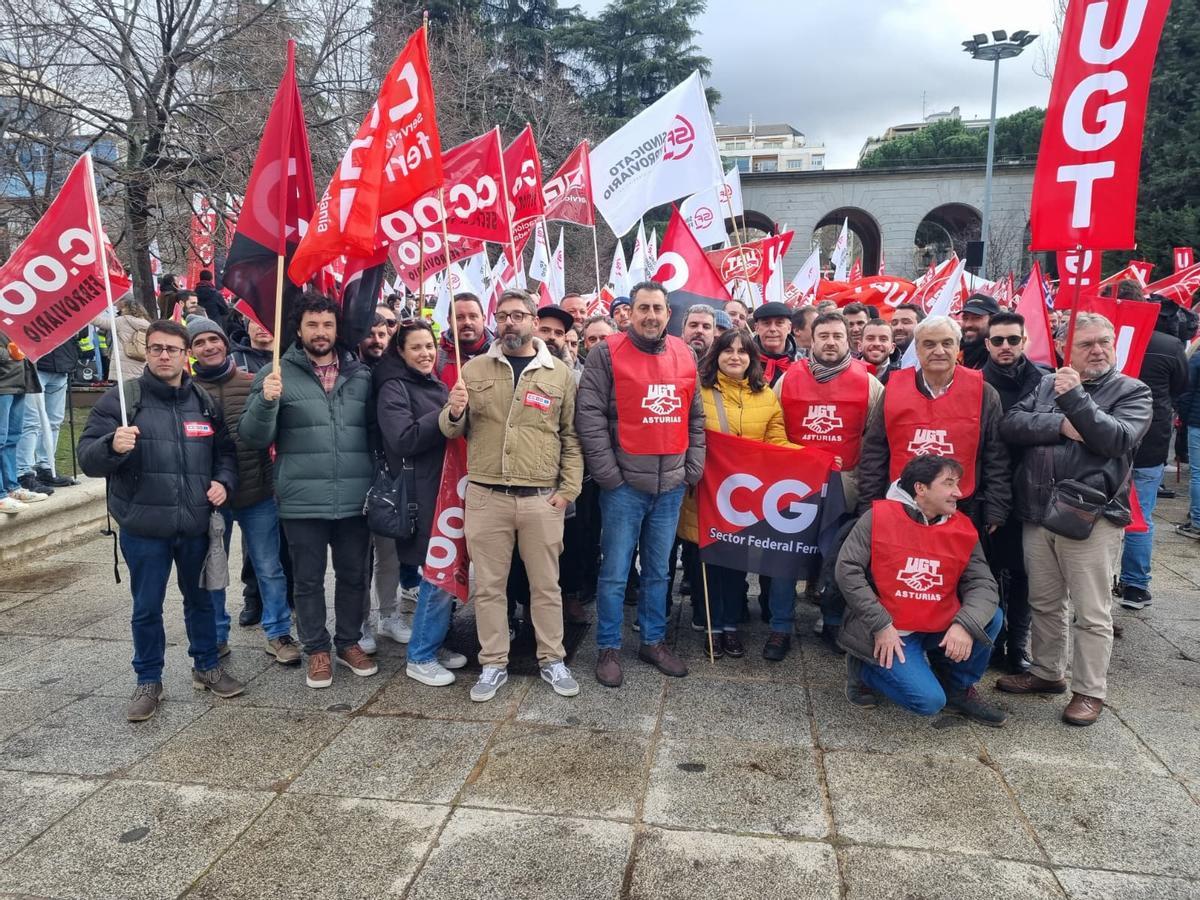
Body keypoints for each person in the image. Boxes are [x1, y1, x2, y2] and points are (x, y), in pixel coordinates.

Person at [77, 319, 242, 720]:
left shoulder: (202, 400)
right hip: (144, 528)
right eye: (156, 349)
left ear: (185, 355)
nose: (164, 355)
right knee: (146, 607)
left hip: (195, 526)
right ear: (146, 352)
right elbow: (87, 458)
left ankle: (206, 666)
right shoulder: (122, 401)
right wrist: (111, 445)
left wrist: (223, 482)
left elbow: (225, 454)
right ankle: (148, 680)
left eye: (171, 349)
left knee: (201, 601)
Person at [997, 313, 1152, 726]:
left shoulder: (1133, 391)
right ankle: (1047, 673)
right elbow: (1012, 424)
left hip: (1091, 517)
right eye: (1086, 344)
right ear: (1068, 348)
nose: (1098, 350)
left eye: (1104, 341)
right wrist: (1063, 424)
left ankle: (1089, 690)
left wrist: (1077, 400)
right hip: (1038, 512)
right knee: (1044, 602)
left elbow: (1113, 439)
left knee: (1092, 611)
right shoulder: (1048, 383)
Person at [441, 289, 584, 702]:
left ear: (533, 320)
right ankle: (493, 663)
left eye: (517, 315)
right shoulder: (474, 368)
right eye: (502, 316)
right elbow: (452, 430)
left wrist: (567, 491)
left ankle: (552, 659)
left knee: (545, 586)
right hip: (487, 496)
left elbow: (570, 438)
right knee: (488, 587)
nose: (509, 323)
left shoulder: (558, 373)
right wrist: (454, 410)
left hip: (541, 498)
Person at [240, 294, 377, 690]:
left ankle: (348, 642)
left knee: (354, 576)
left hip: (355, 497)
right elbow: (252, 436)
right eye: (313, 325)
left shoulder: (360, 374)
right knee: (308, 580)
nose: (321, 332)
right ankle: (317, 646)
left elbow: (372, 433)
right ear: (298, 329)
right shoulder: (276, 372)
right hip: (302, 499)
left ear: (337, 329)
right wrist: (267, 401)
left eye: (328, 325)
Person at [577, 280, 704, 687]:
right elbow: (591, 418)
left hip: (669, 487)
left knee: (658, 573)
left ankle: (653, 640)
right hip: (624, 487)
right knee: (614, 572)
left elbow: (695, 417)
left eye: (658, 308)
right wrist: (609, 476)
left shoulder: (684, 353)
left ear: (669, 314)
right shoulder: (606, 353)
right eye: (643, 307)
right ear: (630, 313)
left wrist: (692, 468)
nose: (651, 315)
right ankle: (608, 647)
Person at [835, 455, 1007, 725]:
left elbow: (983, 584)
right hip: (890, 629)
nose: (958, 493)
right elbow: (847, 570)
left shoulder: (962, 527)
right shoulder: (878, 516)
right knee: (928, 703)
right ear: (921, 488)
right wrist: (881, 624)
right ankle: (864, 669)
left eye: (958, 484)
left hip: (935, 620)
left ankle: (958, 688)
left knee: (991, 617)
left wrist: (965, 625)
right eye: (948, 484)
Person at [188, 318, 300, 665]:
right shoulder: (187, 391)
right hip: (212, 499)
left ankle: (278, 632)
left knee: (269, 566)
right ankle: (217, 635)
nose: (209, 347)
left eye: (214, 340)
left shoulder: (253, 383)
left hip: (256, 492)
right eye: (200, 342)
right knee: (214, 570)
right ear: (191, 351)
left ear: (225, 343)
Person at [677, 329, 792, 657]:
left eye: (743, 351)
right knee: (707, 565)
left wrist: (811, 459)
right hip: (704, 494)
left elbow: (777, 442)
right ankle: (711, 626)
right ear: (717, 354)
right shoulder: (698, 389)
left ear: (752, 358)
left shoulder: (765, 394)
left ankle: (730, 627)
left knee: (735, 565)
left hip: (743, 501)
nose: (735, 357)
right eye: (728, 350)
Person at [375, 320, 468, 684]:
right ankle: (420, 656)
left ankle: (433, 640)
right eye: (416, 347)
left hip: (445, 490)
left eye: (429, 346)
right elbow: (404, 439)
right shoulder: (393, 388)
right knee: (437, 574)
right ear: (400, 351)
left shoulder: (436, 383)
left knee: (446, 573)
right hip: (421, 494)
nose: (426, 353)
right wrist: (448, 413)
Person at [856, 315, 1010, 535]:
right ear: (917, 350)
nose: (939, 351)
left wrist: (996, 508)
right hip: (901, 504)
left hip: (963, 506)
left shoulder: (984, 392)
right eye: (929, 344)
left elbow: (997, 456)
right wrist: (868, 505)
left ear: (958, 347)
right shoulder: (893, 389)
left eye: (947, 343)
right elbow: (874, 452)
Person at [981, 311, 1050, 673]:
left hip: (1036, 492)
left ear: (1025, 341)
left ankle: (1018, 646)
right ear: (987, 343)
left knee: (1025, 575)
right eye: (998, 340)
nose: (1005, 347)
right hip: (994, 490)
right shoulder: (977, 384)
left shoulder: (1046, 381)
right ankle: (992, 639)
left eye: (1013, 339)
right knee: (991, 571)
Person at [1116, 297, 1187, 610]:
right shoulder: (1171, 345)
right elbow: (1181, 387)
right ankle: (1134, 585)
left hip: (1111, 437)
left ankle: (1100, 584)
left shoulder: (1116, 335)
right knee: (1140, 514)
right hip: (1151, 438)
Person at [776, 312, 883, 510]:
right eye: (824, 336)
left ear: (848, 341)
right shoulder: (787, 380)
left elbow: (877, 444)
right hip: (795, 485)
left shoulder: (870, 384)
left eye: (838, 336)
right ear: (813, 341)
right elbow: (773, 431)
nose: (831, 342)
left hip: (846, 488)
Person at [15, 325, 80, 495]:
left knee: (54, 422)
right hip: (35, 365)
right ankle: (24, 472)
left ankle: (45, 466)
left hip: (61, 366)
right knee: (31, 422)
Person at [0, 333, 48, 513]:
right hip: (4, 381)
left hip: (19, 381)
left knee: (12, 438)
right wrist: (7, 354)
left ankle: (12, 488)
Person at [437, 293, 492, 387]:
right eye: (459, 317)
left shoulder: (499, 353)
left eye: (473, 316)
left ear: (483, 319)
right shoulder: (437, 357)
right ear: (449, 321)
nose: (467, 322)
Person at [1179, 335, 1200, 541]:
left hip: (1197, 421)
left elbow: (1186, 392)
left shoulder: (1196, 358)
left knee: (1198, 473)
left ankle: (1198, 522)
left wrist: (1184, 417)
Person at [752, 301, 797, 386]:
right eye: (766, 323)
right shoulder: (745, 360)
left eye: (779, 323)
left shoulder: (801, 362)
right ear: (756, 328)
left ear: (789, 328)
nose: (773, 329)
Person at [960, 293, 999, 370]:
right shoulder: (953, 350)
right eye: (965, 318)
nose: (968, 324)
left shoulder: (1000, 359)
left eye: (976, 318)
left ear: (994, 321)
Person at [859, 318, 895, 382]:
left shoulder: (903, 378)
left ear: (892, 348)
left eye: (883, 339)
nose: (876, 343)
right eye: (870, 338)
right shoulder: (844, 374)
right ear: (860, 346)